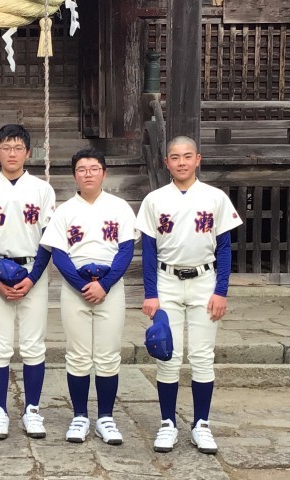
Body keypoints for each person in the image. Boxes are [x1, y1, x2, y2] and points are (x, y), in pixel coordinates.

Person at [135, 136, 242, 454]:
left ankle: (201, 425)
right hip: (167, 281)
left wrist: (221, 291)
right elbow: (149, 251)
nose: (181, 162)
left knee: (202, 356)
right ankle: (167, 423)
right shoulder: (154, 200)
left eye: (187, 156)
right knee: (166, 354)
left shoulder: (215, 197)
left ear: (198, 159)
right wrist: (151, 294)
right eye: (175, 157)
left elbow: (224, 248)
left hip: (204, 281)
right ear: (166, 162)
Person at [40, 148, 136, 445]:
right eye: (82, 169)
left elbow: (126, 250)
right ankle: (80, 416)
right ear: (74, 176)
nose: (88, 174)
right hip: (75, 290)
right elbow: (59, 253)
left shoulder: (120, 208)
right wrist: (82, 285)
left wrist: (104, 285)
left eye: (94, 168)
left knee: (108, 355)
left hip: (110, 288)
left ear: (104, 173)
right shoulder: (65, 211)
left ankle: (106, 418)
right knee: (78, 355)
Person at [0, 124, 55, 440]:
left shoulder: (42, 190)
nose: (12, 153)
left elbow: (48, 238)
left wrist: (33, 278)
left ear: (28, 152)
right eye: (6, 147)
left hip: (33, 272)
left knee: (33, 346)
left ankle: (32, 409)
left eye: (18, 147)